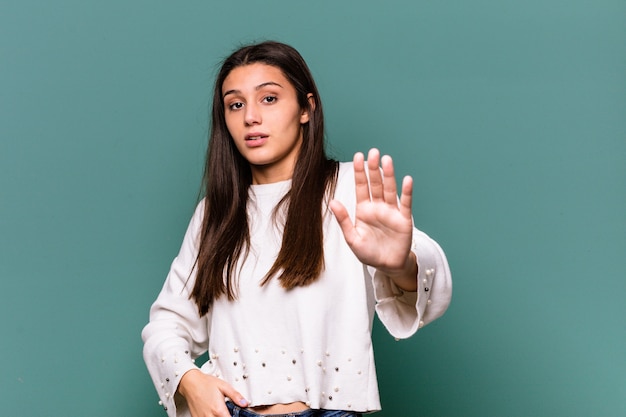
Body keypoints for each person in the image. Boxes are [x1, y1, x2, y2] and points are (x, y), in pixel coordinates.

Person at [142, 40, 452, 417]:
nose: (250, 117)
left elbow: (429, 282)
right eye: (235, 104)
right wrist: (191, 382)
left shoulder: (349, 192)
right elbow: (166, 324)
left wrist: (400, 265)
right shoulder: (215, 214)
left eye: (269, 99)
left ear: (306, 108)